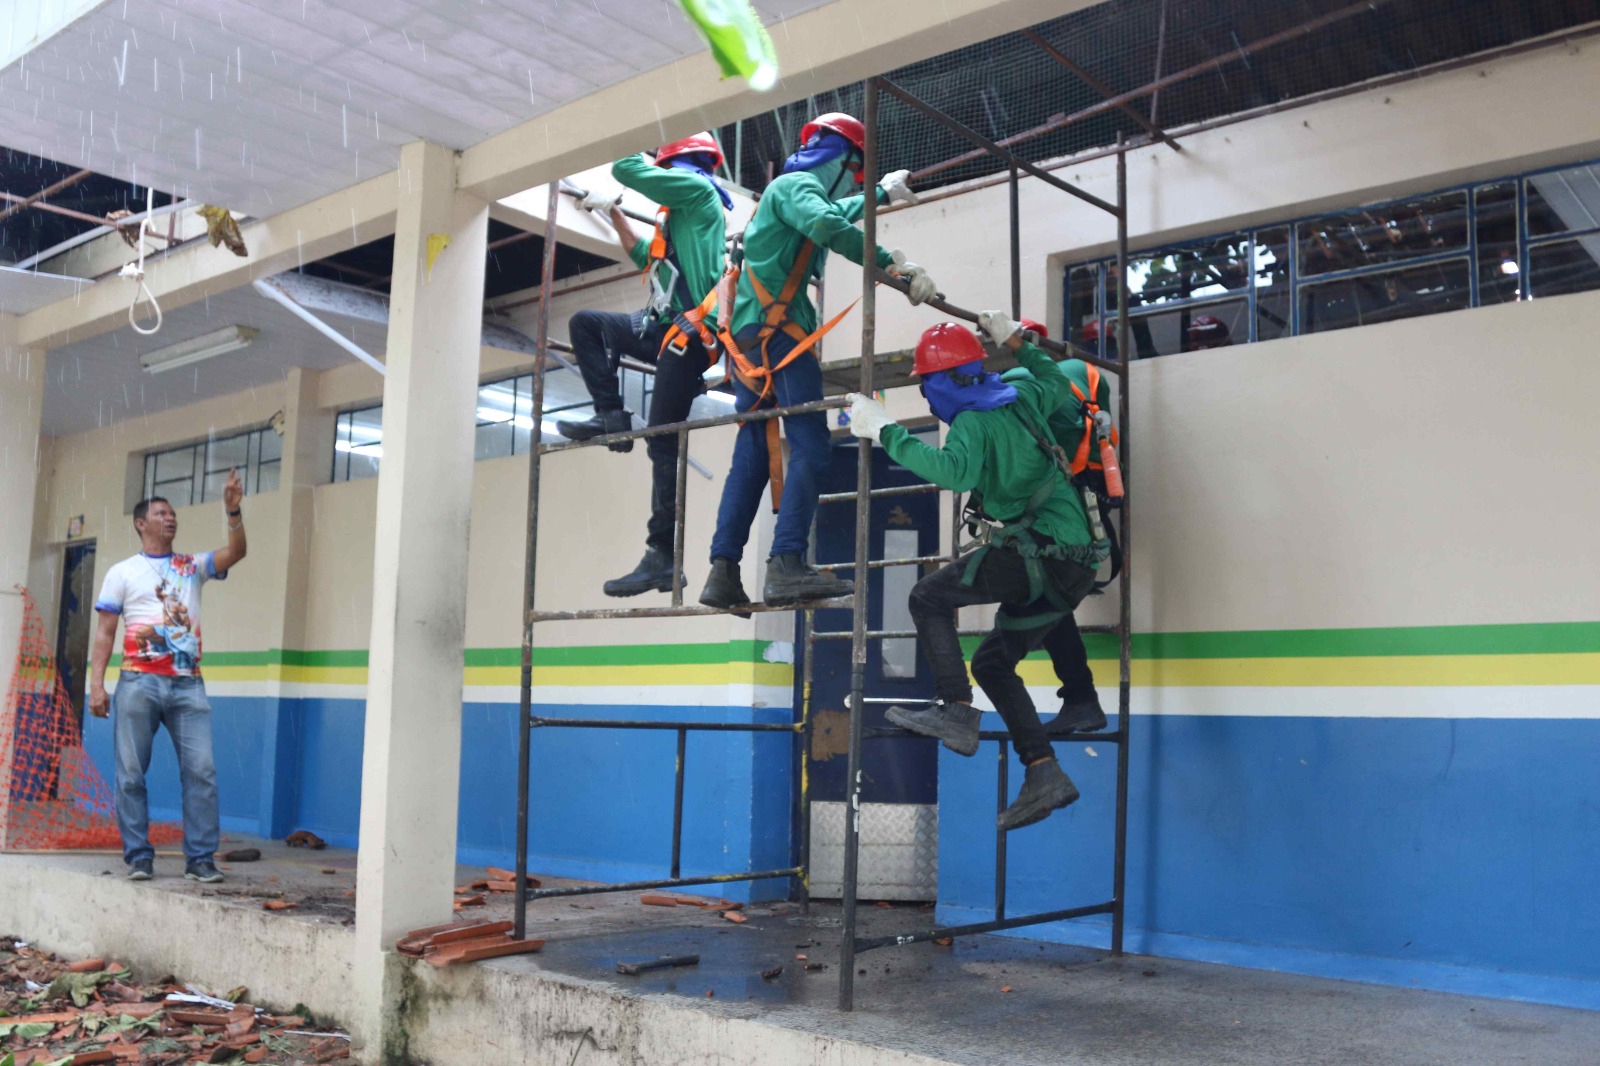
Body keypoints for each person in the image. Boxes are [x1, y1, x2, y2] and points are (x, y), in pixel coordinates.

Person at [844, 314, 1105, 830]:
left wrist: (885, 431)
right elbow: (1056, 378)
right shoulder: (1021, 397)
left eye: (924, 384)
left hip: (1041, 553)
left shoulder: (972, 422)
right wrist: (1017, 342)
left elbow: (952, 472)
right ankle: (1044, 770)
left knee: (927, 598)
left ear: (940, 382)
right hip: (1074, 563)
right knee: (992, 663)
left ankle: (956, 708)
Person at [699, 112, 935, 610]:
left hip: (749, 336)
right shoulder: (796, 185)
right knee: (810, 444)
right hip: (780, 335)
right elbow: (827, 221)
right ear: (841, 157)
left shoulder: (787, 193)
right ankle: (786, 562)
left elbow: (832, 210)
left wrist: (880, 196)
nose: (853, 181)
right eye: (856, 172)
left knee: (754, 451)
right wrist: (891, 262)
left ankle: (722, 571)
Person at [555, 133, 732, 597]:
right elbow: (645, 258)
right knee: (587, 325)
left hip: (690, 335)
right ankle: (610, 414)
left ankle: (662, 555)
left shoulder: (697, 194)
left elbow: (627, 170)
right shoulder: (678, 220)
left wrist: (628, 129)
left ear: (677, 166)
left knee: (662, 440)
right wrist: (611, 212)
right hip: (663, 325)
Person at [89, 470, 248, 882]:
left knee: (202, 772)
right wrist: (96, 687)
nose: (171, 518)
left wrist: (233, 511)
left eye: (173, 513)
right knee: (129, 774)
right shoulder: (122, 572)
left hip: (187, 684)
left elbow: (236, 552)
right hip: (137, 683)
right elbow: (105, 633)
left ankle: (199, 859)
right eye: (161, 513)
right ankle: (139, 856)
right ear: (141, 523)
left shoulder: (191, 566)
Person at [999, 319, 1112, 737]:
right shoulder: (1087, 374)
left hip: (1055, 505)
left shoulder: (1017, 381)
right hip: (1094, 491)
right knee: (1049, 597)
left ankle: (1080, 697)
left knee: (1039, 597)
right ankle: (1080, 698)